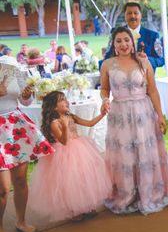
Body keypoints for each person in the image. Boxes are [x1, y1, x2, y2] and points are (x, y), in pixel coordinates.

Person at [100, 27, 168, 215]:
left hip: (143, 113)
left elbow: (153, 91)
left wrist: (160, 115)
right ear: (113, 44)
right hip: (120, 114)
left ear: (132, 42)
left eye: (127, 40)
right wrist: (105, 100)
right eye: (119, 41)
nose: (123, 44)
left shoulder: (143, 62)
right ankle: (126, 194)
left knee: (145, 153)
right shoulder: (107, 64)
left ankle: (148, 193)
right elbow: (104, 89)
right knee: (125, 155)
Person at [27, 91, 111, 222]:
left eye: (65, 99)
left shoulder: (71, 116)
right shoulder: (54, 123)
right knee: (68, 182)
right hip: (63, 153)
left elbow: (90, 123)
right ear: (54, 107)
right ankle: (73, 209)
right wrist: (65, 126)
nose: (66, 101)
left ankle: (85, 206)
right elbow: (64, 141)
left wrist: (102, 114)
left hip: (79, 149)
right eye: (62, 100)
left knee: (83, 178)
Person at [0, 69, 53, 232]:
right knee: (3, 189)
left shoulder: (12, 69)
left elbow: (26, 101)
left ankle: (21, 221)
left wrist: (26, 95)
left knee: (21, 180)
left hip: (15, 126)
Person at [102, 2, 164, 71]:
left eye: (136, 13)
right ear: (124, 16)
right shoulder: (115, 34)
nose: (133, 16)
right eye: (129, 13)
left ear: (141, 15)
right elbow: (106, 59)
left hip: (145, 79)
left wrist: (147, 60)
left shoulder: (152, 35)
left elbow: (161, 60)